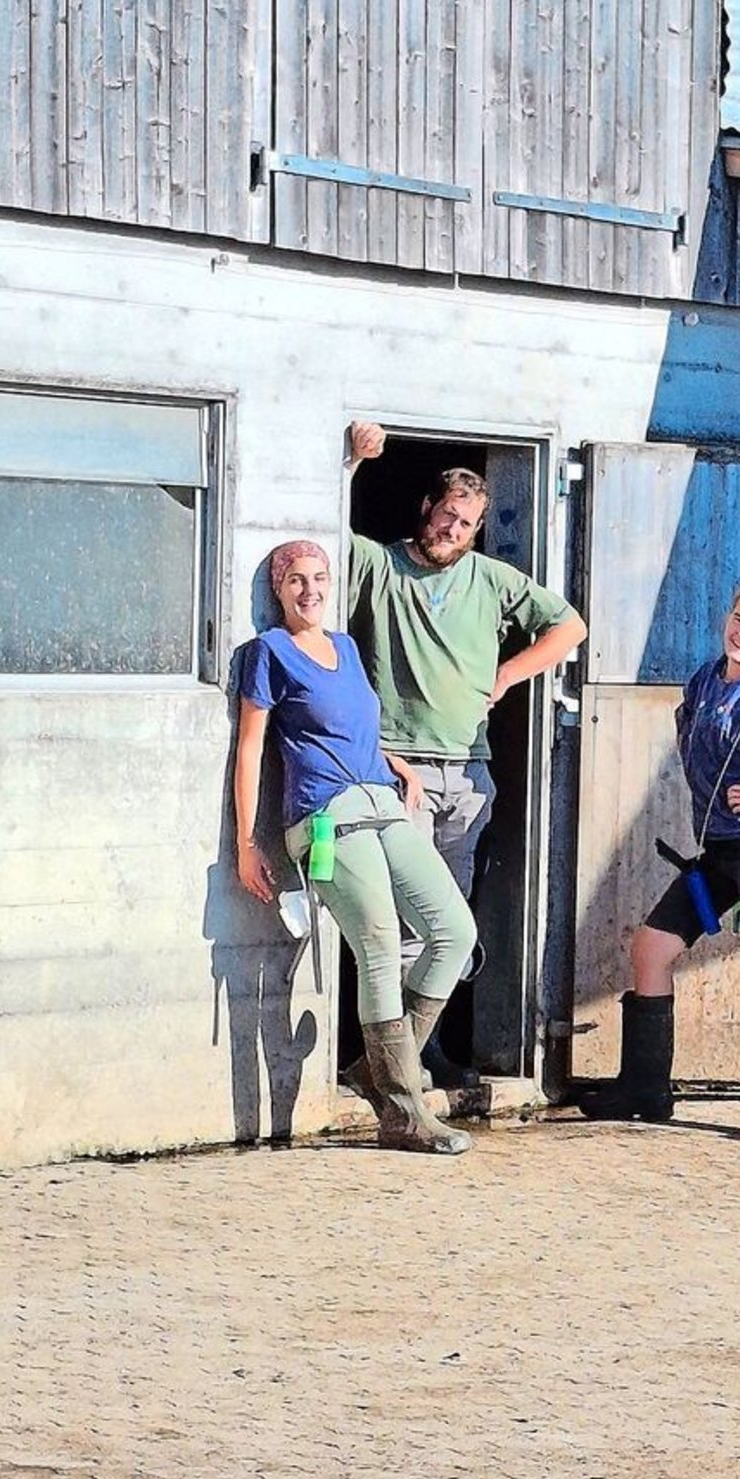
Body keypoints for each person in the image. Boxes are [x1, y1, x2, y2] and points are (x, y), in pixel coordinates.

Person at [344, 422, 587, 1084]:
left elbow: (569, 626)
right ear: (427, 508)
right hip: (401, 770)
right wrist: (352, 463)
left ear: (477, 530)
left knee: (449, 920)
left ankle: (416, 1053)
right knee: (408, 921)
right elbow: (325, 536)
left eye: (466, 523)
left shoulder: (491, 579)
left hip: (469, 775)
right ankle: (399, 1063)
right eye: (447, 514)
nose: (452, 529)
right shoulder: (382, 567)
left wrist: (508, 675)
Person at [580, 579, 740, 1145]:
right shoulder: (705, 679)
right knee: (651, 947)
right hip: (718, 849)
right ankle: (646, 1089)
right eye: (738, 619)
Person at [234, 539, 475, 1156]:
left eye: (319, 577)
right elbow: (252, 748)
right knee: (380, 946)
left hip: (382, 803)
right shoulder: (269, 652)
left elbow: (350, 724)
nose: (310, 590)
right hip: (326, 817)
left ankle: (377, 1069)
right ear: (278, 589)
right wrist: (246, 841)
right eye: (296, 579)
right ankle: (402, 1112)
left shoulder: (344, 647)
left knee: (454, 931)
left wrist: (393, 760)